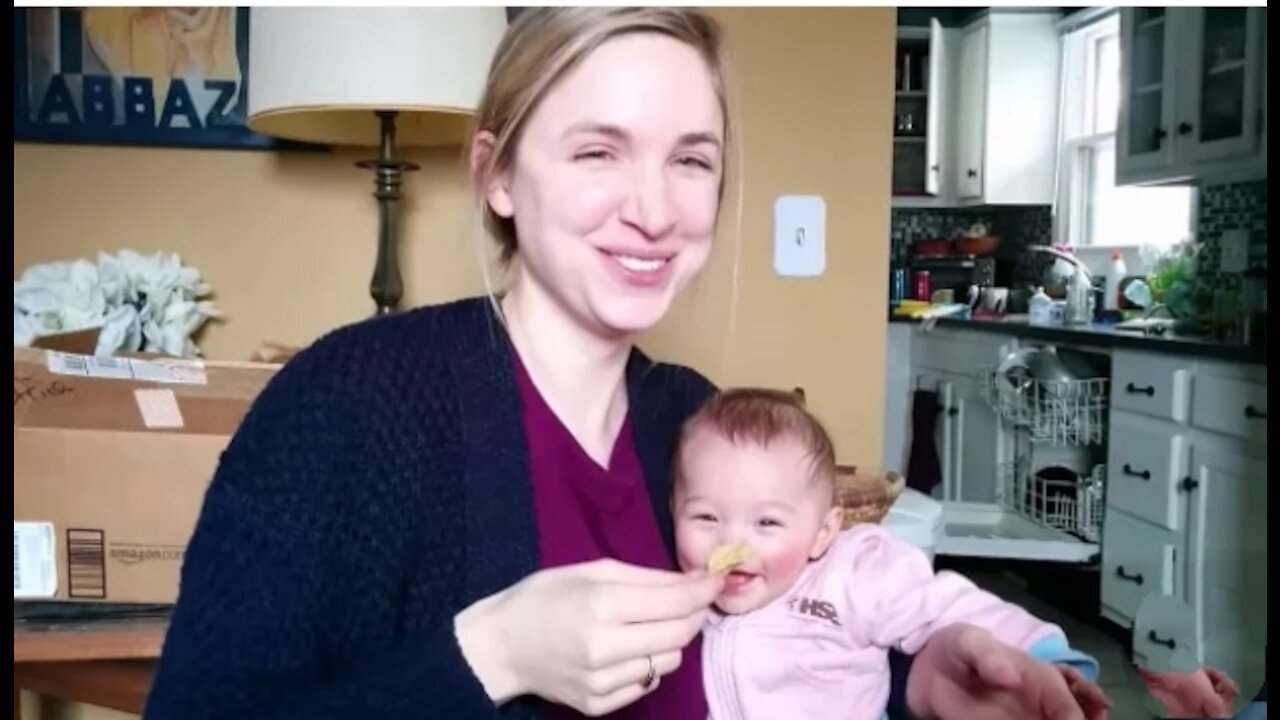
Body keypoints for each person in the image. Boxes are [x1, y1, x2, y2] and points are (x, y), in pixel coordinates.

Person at [143, 8, 1120, 720]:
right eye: (597, 151)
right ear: (496, 175)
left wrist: (921, 687)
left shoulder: (692, 422)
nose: (653, 210)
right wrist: (490, 656)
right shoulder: (349, 402)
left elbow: (785, 656)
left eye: (689, 160)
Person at [671, 387, 1112, 720]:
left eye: (766, 523)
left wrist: (1044, 655)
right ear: (674, 511)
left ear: (823, 532)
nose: (730, 545)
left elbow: (945, 605)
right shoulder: (675, 596)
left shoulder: (853, 572)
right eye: (706, 518)